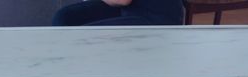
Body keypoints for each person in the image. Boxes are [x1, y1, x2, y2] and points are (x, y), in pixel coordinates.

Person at [53, 0, 185, 26]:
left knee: (84, 35)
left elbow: (122, 1)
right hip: (131, 7)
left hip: (156, 17)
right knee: (64, 17)